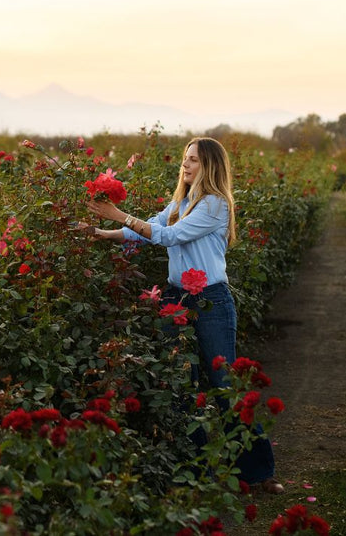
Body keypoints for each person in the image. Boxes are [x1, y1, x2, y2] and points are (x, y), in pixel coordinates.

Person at [83, 136, 283, 493]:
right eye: (185, 159)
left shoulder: (215, 205)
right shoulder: (182, 201)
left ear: (210, 166)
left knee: (224, 386)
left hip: (210, 301)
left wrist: (118, 214)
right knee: (181, 386)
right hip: (177, 298)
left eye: (193, 160)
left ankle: (259, 472)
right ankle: (199, 472)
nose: (186, 165)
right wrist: (103, 231)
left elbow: (169, 237)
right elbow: (148, 232)